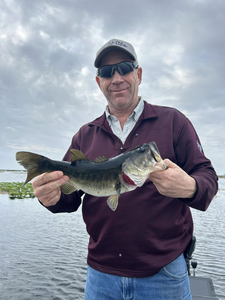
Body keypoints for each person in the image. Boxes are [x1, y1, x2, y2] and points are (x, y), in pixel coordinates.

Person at [33, 39, 218, 299]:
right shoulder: (85, 135)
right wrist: (50, 198)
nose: (116, 78)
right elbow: (70, 197)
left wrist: (191, 187)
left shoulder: (174, 121)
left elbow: (208, 178)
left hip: (163, 273)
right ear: (99, 82)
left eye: (125, 67)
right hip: (101, 276)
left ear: (139, 74)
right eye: (107, 72)